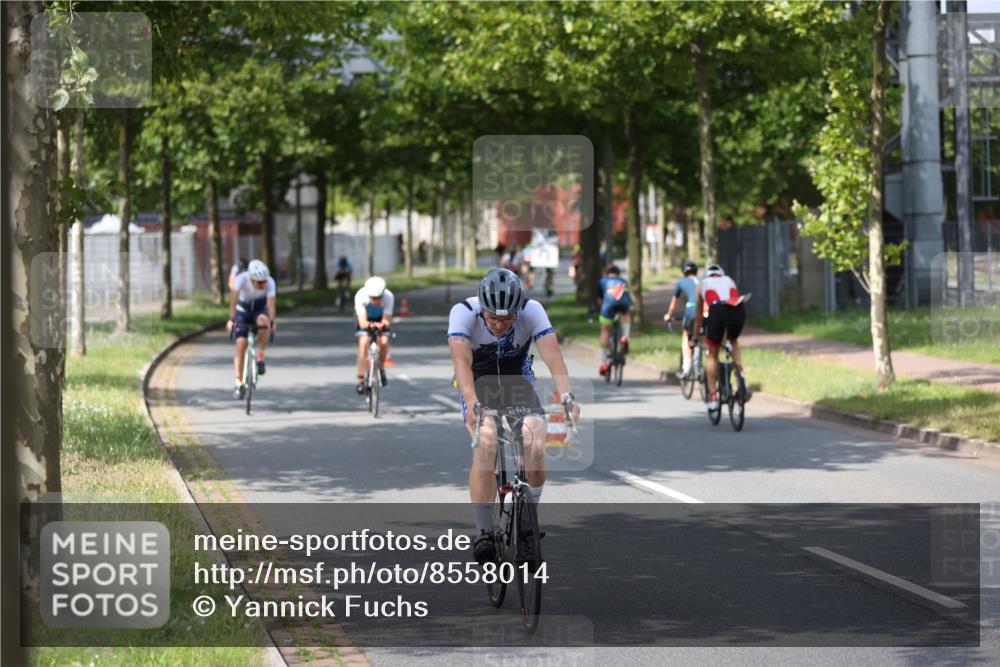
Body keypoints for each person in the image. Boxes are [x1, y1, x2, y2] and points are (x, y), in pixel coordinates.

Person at [447, 268, 580, 564]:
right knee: (487, 441)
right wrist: (471, 402)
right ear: (482, 307)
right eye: (492, 317)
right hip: (477, 382)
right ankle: (483, 531)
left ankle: (527, 523)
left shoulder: (532, 311)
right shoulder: (464, 312)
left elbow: (553, 356)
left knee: (535, 439)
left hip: (517, 382)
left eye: (507, 319)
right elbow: (461, 360)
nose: (498, 324)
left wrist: (567, 395)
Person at [691, 263, 747, 411]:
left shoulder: (702, 284)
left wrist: (695, 337)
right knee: (733, 340)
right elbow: (732, 300)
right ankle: (741, 375)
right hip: (738, 308)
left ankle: (713, 396)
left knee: (712, 353)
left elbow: (698, 316)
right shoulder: (729, 280)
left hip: (717, 310)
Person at [226, 259, 276, 399]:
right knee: (241, 344)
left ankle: (260, 355)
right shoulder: (242, 279)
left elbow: (271, 304)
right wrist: (231, 319)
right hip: (243, 310)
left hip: (260, 309)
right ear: (251, 279)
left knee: (264, 322)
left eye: (264, 281)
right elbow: (234, 299)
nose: (263, 285)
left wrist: (272, 322)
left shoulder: (270, 282)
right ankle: (238, 381)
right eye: (259, 282)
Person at [354, 276, 394, 393]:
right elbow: (362, 323)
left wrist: (382, 325)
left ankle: (381, 369)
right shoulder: (360, 296)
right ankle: (361, 379)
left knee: (384, 341)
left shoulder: (389, 297)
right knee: (364, 342)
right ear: (368, 294)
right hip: (365, 319)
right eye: (373, 298)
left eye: (379, 298)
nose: (376, 301)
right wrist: (370, 325)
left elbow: (387, 320)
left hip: (380, 318)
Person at [664, 260, 700, 376]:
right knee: (704, 335)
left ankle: (686, 366)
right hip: (706, 310)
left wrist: (669, 314)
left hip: (691, 310)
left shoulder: (681, 282)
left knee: (686, 334)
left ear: (684, 272)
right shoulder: (702, 280)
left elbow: (675, 300)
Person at [596, 264, 632, 377]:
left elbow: (600, 300)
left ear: (607, 273)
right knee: (626, 315)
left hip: (608, 308)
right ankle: (625, 336)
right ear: (618, 273)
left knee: (605, 331)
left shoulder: (602, 281)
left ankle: (605, 361)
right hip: (622, 305)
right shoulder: (623, 281)